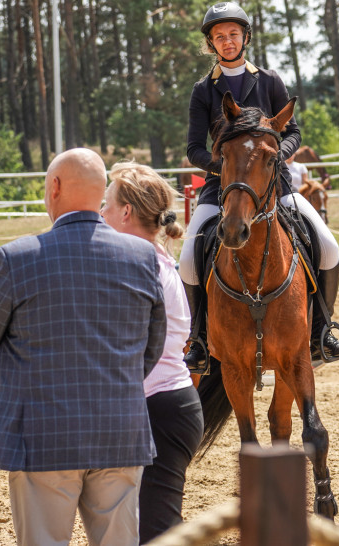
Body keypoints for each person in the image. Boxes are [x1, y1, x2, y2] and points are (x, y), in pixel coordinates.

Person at [0, 148, 167, 546]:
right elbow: (151, 347)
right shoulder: (141, 257)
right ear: (100, 193)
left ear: (55, 187)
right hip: (120, 431)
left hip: (43, 439)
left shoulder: (17, 258)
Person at [179, 1, 339, 372]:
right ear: (211, 43)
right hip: (222, 190)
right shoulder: (202, 91)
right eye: (219, 36)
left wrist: (277, 157)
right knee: (188, 261)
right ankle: (197, 338)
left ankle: (322, 330)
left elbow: (293, 131)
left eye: (233, 34)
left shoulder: (270, 80)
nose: (228, 41)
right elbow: (194, 148)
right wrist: (228, 170)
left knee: (328, 245)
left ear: (245, 37)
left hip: (277, 187)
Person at [99, 161, 204, 544]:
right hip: (167, 405)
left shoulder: (139, 264)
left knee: (156, 533)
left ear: (126, 213)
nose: (101, 213)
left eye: (106, 205)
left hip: (160, 409)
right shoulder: (153, 259)